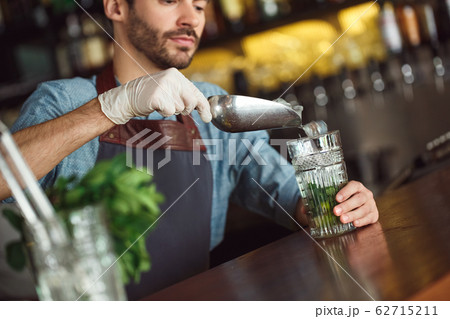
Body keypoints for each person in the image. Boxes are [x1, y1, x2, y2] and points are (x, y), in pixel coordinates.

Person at [0, 0, 379, 299]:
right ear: (116, 6)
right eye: (170, 0)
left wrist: (336, 204)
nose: (190, 18)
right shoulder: (63, 101)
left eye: (199, 5)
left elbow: (290, 197)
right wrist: (112, 106)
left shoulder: (213, 107)